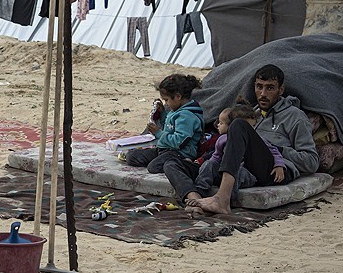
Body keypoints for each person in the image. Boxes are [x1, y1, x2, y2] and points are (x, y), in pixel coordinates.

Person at [186, 64, 319, 215]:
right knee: (173, 163)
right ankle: (194, 198)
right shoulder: (253, 113)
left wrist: (278, 150)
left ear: (280, 90)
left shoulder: (295, 116)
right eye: (259, 87)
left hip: (275, 171)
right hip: (246, 168)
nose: (263, 93)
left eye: (270, 88)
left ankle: (222, 199)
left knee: (238, 124)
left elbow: (312, 162)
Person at [123, 73, 204, 204]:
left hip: (178, 153)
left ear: (178, 97)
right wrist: (162, 113)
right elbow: (171, 125)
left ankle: (184, 163)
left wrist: (159, 133)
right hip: (165, 149)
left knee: (153, 166)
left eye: (167, 100)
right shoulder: (177, 110)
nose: (166, 103)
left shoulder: (188, 116)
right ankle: (162, 158)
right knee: (132, 156)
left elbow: (179, 141)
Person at [191, 103, 286, 206]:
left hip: (247, 174)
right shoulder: (221, 140)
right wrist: (208, 168)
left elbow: (274, 150)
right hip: (224, 172)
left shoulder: (258, 139)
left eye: (252, 127)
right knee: (209, 164)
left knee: (237, 170)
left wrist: (279, 165)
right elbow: (216, 157)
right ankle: (200, 192)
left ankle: (228, 199)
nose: (250, 131)